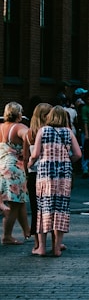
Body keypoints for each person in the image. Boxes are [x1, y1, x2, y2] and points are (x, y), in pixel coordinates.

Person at [29, 105, 82, 257]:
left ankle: (42, 248)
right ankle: (57, 248)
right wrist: (66, 160)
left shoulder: (43, 131)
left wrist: (30, 164)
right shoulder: (68, 132)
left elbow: (36, 154)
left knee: (44, 208)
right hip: (63, 175)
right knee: (61, 209)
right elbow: (78, 154)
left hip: (45, 174)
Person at [0, 101, 30, 243]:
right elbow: (28, 136)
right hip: (15, 169)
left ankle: (27, 231)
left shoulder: (1, 127)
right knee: (14, 204)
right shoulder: (19, 127)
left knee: (20, 201)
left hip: (1, 166)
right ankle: (7, 236)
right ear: (19, 114)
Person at [24, 102, 52, 237]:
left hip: (33, 174)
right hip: (48, 174)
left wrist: (26, 173)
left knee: (36, 209)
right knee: (50, 208)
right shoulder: (50, 132)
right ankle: (55, 241)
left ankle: (37, 242)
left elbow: (25, 157)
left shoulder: (29, 134)